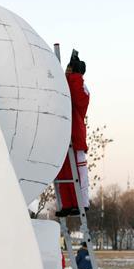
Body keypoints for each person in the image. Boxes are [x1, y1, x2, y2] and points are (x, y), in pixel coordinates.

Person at [55, 52, 91, 217]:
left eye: (71, 69)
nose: (67, 71)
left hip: (75, 137)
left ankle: (81, 202)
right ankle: (68, 204)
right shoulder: (63, 84)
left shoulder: (81, 87)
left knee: (78, 172)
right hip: (62, 136)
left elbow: (78, 98)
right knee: (63, 173)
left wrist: (75, 77)